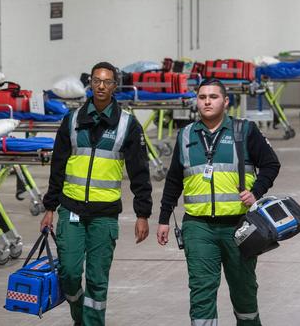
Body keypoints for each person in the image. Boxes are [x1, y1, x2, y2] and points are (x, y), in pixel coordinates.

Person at [156, 80, 281, 326]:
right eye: (202, 97)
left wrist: (256, 191)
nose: (207, 101)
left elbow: (271, 164)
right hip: (198, 227)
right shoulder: (185, 135)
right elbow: (173, 181)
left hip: (239, 227)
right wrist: (163, 219)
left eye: (213, 97)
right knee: (201, 292)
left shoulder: (244, 131)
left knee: (244, 292)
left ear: (225, 101)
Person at [40, 61, 153, 326]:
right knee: (67, 273)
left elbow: (140, 172)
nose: (101, 86)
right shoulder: (71, 120)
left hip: (105, 215)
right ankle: (81, 317)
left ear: (115, 86)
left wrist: (142, 213)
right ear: (90, 83)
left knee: (97, 280)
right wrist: (49, 207)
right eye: (96, 80)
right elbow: (58, 165)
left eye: (107, 81)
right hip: (71, 211)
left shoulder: (128, 125)